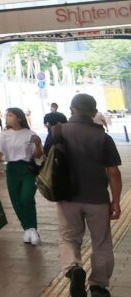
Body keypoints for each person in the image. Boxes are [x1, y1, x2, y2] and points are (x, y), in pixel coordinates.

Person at [45, 94, 122, 297]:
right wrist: (116, 202)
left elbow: (46, 160)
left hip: (66, 196)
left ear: (71, 109)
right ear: (94, 112)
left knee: (69, 237)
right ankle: (98, 286)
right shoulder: (103, 137)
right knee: (101, 242)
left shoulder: (56, 131)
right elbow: (113, 172)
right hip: (97, 199)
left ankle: (73, 269)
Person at [0, 108, 43, 245]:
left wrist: (37, 145)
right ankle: (27, 228)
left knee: (27, 197)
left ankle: (33, 228)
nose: (8, 117)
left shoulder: (30, 134)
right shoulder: (4, 135)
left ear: (19, 118)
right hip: (12, 169)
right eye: (7, 115)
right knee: (16, 200)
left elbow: (38, 155)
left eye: (11, 115)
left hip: (28, 169)